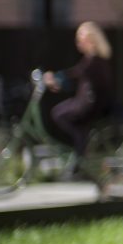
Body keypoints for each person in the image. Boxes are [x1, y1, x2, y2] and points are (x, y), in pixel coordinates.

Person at [46, 22, 115, 160]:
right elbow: (78, 76)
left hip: (89, 105)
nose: (78, 43)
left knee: (59, 114)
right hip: (84, 101)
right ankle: (80, 145)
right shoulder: (92, 58)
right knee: (60, 112)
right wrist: (58, 81)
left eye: (80, 39)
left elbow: (77, 73)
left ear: (89, 40)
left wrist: (55, 77)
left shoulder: (95, 59)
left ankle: (81, 145)